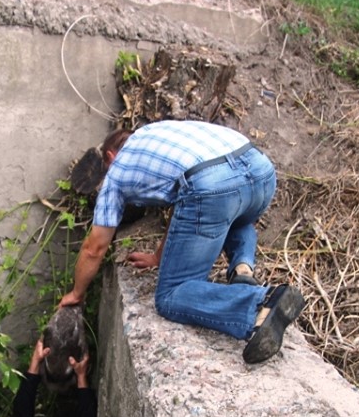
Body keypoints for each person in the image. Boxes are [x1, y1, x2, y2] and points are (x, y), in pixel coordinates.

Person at [58, 120, 305, 364]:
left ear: (110, 156)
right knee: (234, 214)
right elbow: (183, 208)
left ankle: (259, 302)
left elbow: (94, 248)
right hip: (261, 170)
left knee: (170, 296)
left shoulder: (116, 173)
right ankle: (242, 269)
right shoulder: (157, 131)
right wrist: (158, 256)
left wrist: (77, 293)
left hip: (212, 186)